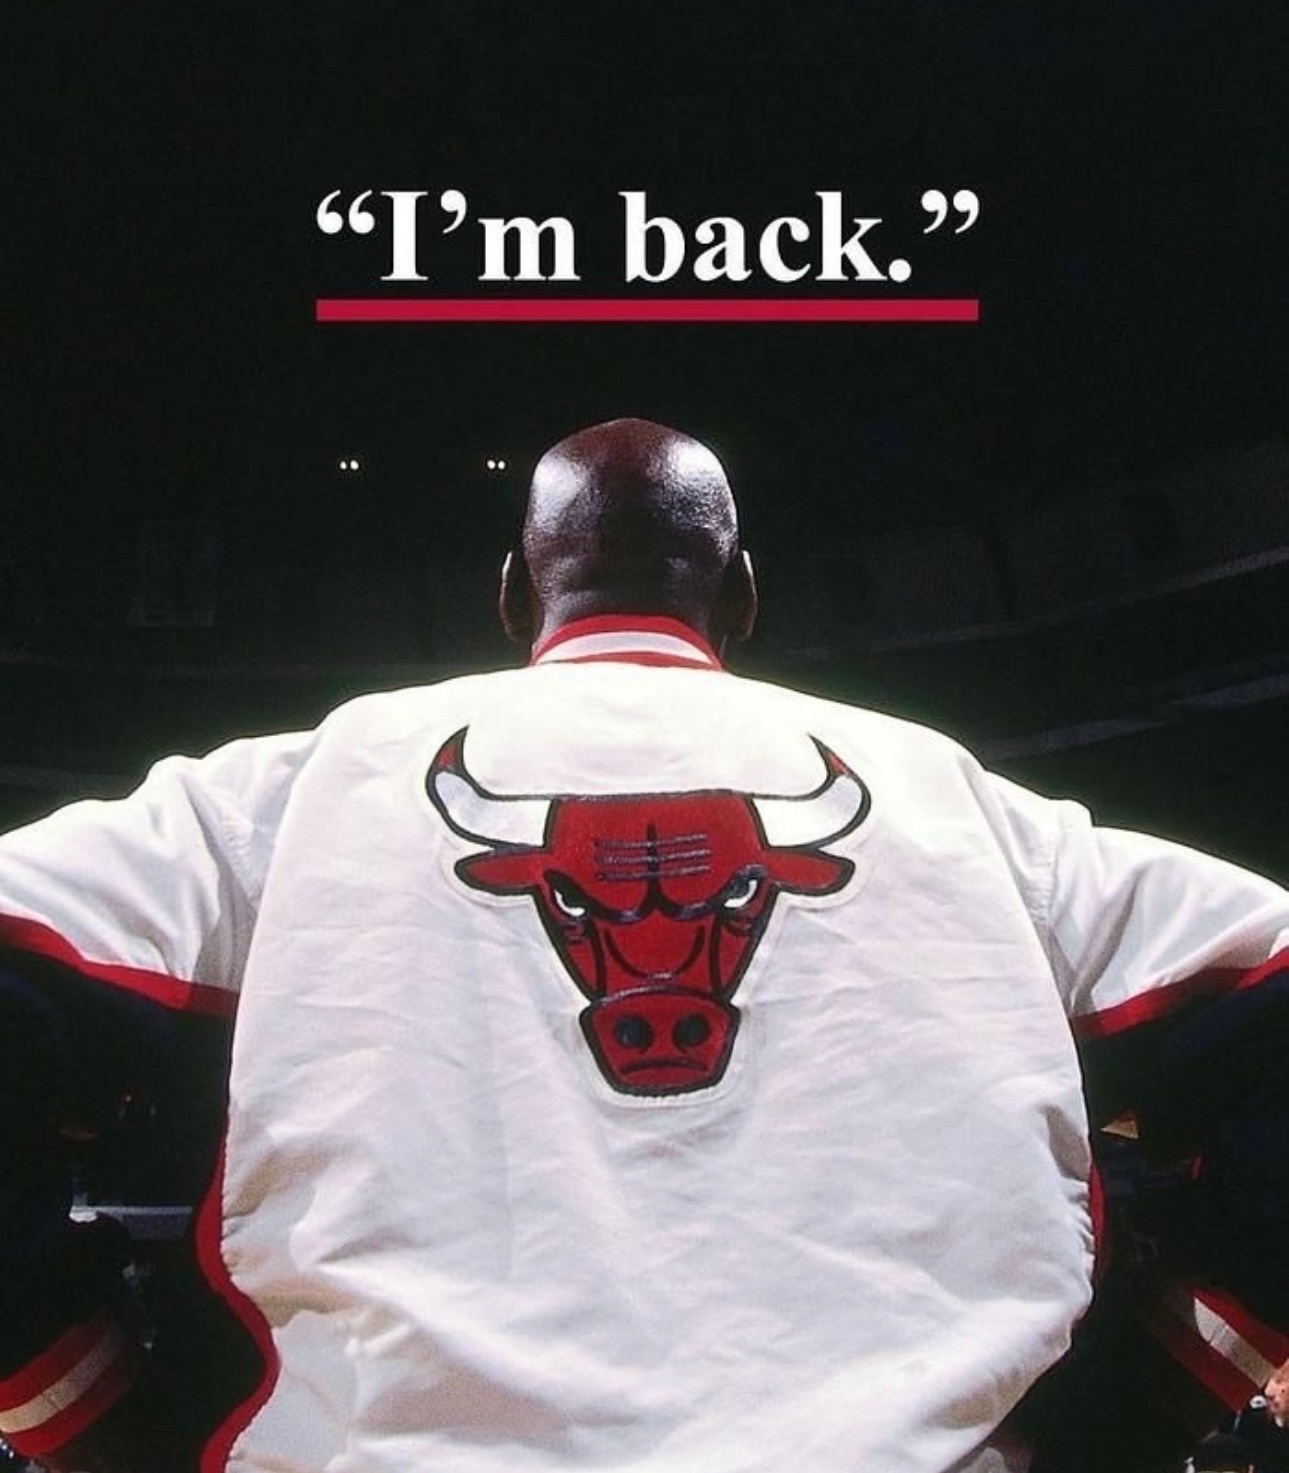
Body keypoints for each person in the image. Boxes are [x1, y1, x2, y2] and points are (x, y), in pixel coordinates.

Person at [0, 417, 1286, 1473]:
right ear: (742, 594)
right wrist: (1151, 1399)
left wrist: (91, 1420)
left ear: (515, 597)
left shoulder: (291, 793)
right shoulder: (958, 802)